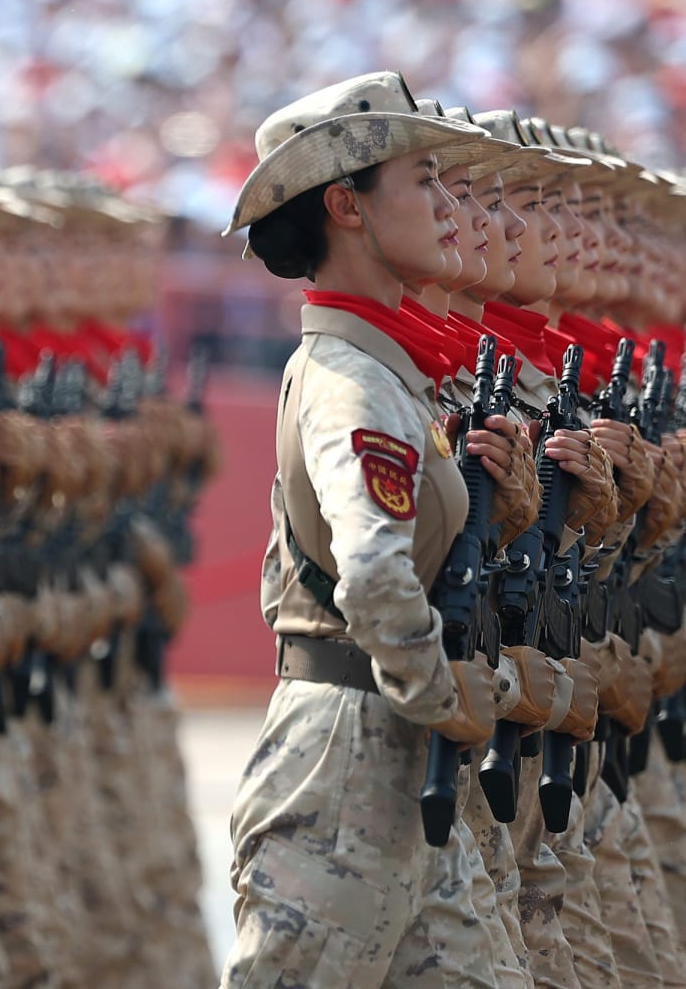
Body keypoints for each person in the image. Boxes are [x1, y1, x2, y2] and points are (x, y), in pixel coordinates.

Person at [220, 71, 536, 988]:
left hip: (401, 752)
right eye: (423, 183)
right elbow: (373, 572)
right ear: (345, 207)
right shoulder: (352, 382)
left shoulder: (391, 374)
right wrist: (447, 693)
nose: (447, 207)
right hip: (349, 758)